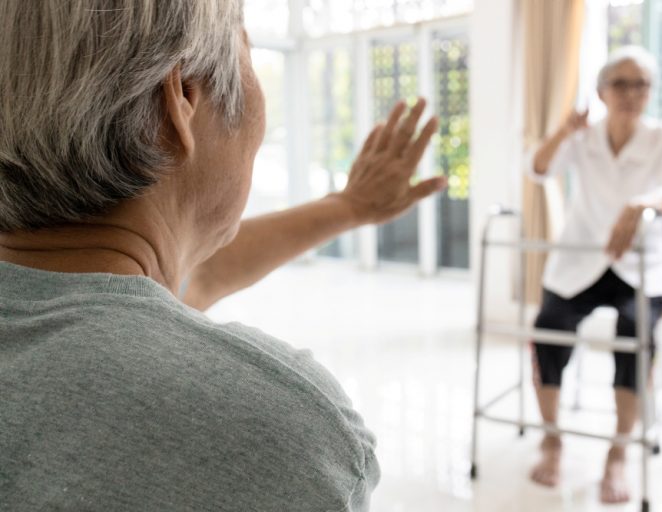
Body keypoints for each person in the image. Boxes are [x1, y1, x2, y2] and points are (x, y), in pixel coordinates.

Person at [0, 2, 446, 510]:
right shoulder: (280, 430)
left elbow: (176, 284)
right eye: (247, 49)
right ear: (181, 95)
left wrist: (346, 208)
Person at [527, 46, 662, 504]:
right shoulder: (582, 138)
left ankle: (618, 453)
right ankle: (552, 438)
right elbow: (537, 170)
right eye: (621, 83)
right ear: (601, 91)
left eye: (642, 84)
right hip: (581, 261)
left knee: (637, 334)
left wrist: (641, 205)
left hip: (640, 266)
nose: (632, 93)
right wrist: (563, 131)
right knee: (549, 328)